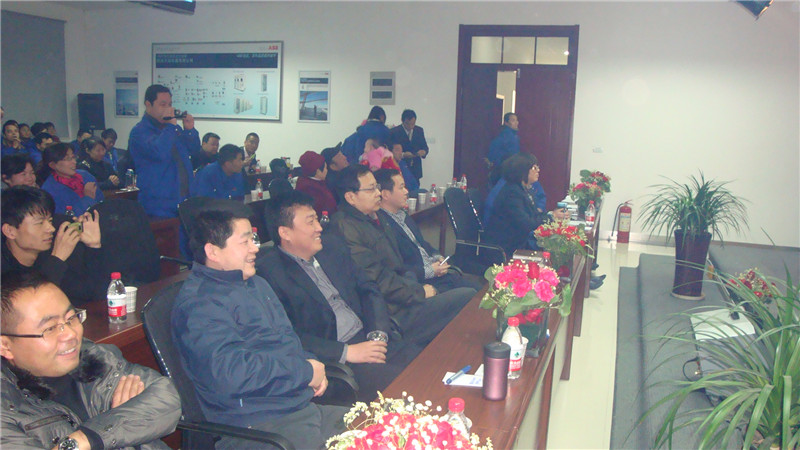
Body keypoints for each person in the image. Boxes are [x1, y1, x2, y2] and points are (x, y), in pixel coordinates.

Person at [172, 207, 347, 449]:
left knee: (387, 426)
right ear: (213, 251)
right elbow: (232, 374)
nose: (255, 248)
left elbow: (287, 339)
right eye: (245, 242)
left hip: (298, 408)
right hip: (260, 426)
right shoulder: (199, 304)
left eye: (253, 239)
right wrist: (305, 372)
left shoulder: (256, 284)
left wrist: (313, 364)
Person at [258, 191, 421, 401]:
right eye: (310, 222)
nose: (319, 227)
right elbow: (288, 335)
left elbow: (368, 288)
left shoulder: (331, 247)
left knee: (427, 362)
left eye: (316, 219)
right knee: (410, 386)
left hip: (370, 335)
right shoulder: (269, 274)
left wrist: (378, 333)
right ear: (285, 233)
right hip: (339, 359)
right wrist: (346, 352)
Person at [0, 271, 181, 449]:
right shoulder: (6, 409)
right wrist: (123, 425)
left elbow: (167, 397)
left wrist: (84, 440)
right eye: (50, 328)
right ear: (5, 346)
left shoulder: (92, 356)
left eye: (71, 318)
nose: (71, 334)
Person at [331, 164, 476, 346]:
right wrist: (419, 292)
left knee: (465, 293)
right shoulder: (346, 229)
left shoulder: (373, 219)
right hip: (392, 310)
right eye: (371, 189)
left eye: (377, 187)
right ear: (350, 197)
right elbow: (377, 281)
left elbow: (397, 266)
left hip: (404, 291)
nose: (378, 193)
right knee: (467, 297)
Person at [375, 169, 481, 293]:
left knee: (481, 291)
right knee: (472, 294)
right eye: (401, 188)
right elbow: (398, 268)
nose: (406, 191)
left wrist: (437, 257)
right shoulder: (382, 225)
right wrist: (430, 271)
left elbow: (422, 244)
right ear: (386, 194)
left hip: (437, 274)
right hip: (422, 284)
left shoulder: (402, 214)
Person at [1, 186, 107, 305]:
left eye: (50, 221)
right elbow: (30, 306)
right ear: (10, 231)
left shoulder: (51, 251)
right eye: (40, 223)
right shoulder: (4, 269)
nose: (51, 228)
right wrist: (57, 258)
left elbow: (96, 293)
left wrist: (93, 247)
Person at [128, 84, 199, 218]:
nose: (168, 109)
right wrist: (171, 127)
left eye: (170, 104)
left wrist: (189, 131)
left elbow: (194, 151)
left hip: (184, 200)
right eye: (163, 104)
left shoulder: (172, 129)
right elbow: (159, 153)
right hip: (158, 204)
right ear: (148, 105)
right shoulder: (139, 132)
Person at [483, 153, 569, 257]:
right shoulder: (512, 193)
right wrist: (552, 216)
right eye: (534, 167)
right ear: (522, 170)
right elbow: (527, 224)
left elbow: (534, 215)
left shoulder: (523, 189)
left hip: (519, 242)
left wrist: (551, 215)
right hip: (506, 248)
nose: (538, 170)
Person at [39, 143, 103, 215]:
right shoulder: (49, 191)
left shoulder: (86, 176)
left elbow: (101, 202)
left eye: (73, 157)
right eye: (68, 159)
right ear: (53, 165)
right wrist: (88, 198)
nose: (74, 162)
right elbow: (64, 217)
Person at [389, 109, 429, 184]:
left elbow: (425, 147)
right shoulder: (394, 132)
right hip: (401, 168)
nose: (410, 126)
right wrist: (403, 155)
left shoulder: (419, 130)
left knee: (416, 188)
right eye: (407, 124)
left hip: (416, 168)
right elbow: (390, 151)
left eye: (413, 124)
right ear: (402, 121)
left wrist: (423, 152)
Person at [296, 150, 337, 216]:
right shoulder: (311, 190)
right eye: (325, 168)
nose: (327, 170)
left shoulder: (304, 181)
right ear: (318, 171)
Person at [487, 112, 520, 185]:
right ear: (506, 123)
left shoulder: (513, 136)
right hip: (505, 171)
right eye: (513, 120)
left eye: (516, 120)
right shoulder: (506, 135)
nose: (516, 122)